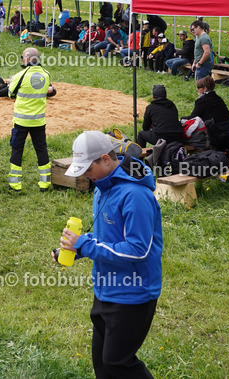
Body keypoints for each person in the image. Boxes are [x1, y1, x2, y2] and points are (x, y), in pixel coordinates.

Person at [60, 131, 162, 379]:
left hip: (133, 294)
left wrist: (84, 245)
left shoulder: (135, 195)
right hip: (106, 288)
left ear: (105, 159)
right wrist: (78, 248)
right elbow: (108, 239)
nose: (85, 175)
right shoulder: (102, 188)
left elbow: (138, 250)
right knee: (103, 364)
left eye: (87, 169)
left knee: (118, 362)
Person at [7, 47, 57, 192]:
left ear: (28, 59)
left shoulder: (21, 75)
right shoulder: (46, 75)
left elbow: (11, 93)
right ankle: (45, 183)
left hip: (21, 121)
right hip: (39, 121)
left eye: (22, 57)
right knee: (41, 149)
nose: (21, 60)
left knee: (17, 150)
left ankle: (15, 184)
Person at [188, 76, 229, 151]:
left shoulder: (202, 100)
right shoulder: (218, 98)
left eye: (198, 87)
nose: (197, 89)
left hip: (216, 135)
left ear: (205, 89)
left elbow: (193, 117)